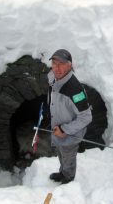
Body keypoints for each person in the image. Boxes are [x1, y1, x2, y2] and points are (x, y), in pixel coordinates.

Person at [47, 49, 92, 184]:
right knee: (61, 153)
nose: (57, 68)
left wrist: (64, 130)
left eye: (61, 64)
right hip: (58, 128)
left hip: (70, 134)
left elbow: (86, 117)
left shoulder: (75, 90)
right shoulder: (52, 76)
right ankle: (63, 172)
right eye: (54, 63)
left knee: (68, 156)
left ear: (70, 65)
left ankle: (68, 177)